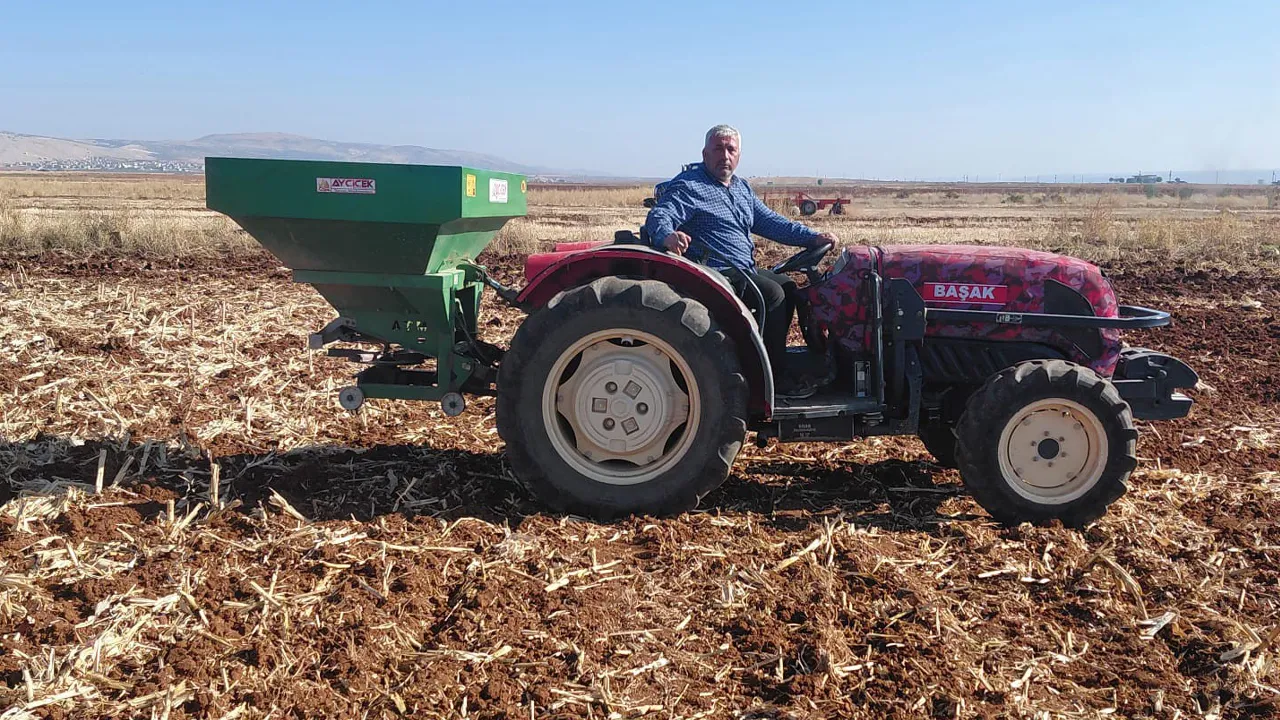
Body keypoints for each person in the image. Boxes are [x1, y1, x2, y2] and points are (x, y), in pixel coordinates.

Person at [643, 124, 839, 398]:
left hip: (742, 268)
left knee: (789, 287)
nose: (724, 155)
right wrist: (668, 236)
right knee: (773, 295)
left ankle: (798, 358)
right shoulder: (689, 186)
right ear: (705, 153)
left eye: (730, 149)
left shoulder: (741, 188)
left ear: (739, 155)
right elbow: (659, 216)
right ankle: (772, 377)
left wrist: (812, 237)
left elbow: (771, 222)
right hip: (715, 272)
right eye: (718, 149)